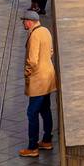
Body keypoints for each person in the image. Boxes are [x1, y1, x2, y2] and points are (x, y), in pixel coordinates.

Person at [18, 10, 57, 158]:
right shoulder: (45, 30)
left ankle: (32, 147)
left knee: (32, 112)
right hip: (48, 76)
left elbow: (32, 60)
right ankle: (47, 140)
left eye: (24, 21)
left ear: (29, 21)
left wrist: (27, 72)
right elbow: (51, 51)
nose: (23, 23)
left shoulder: (34, 35)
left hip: (38, 79)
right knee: (45, 109)